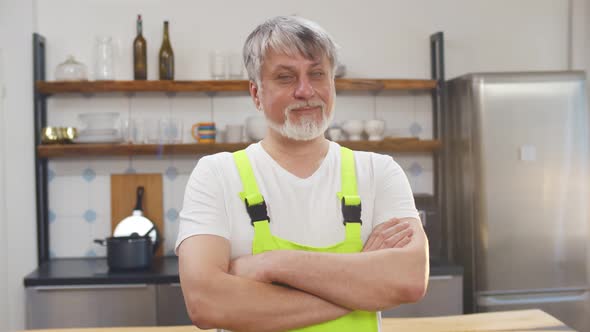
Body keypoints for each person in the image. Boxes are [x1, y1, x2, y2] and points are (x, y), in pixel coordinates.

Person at [176, 15, 429, 332]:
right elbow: (205, 302)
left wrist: (272, 265)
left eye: (317, 74)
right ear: (256, 93)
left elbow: (408, 281)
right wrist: (362, 286)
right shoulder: (217, 174)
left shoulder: (379, 172)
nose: (305, 90)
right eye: (285, 78)